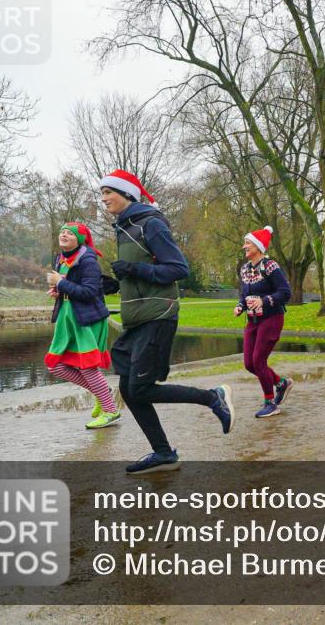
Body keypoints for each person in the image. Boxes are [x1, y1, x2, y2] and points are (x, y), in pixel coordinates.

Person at [99, 169, 233, 474]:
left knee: (141, 389)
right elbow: (141, 272)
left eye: (109, 192)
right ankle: (162, 453)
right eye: (102, 193)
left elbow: (177, 268)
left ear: (128, 194)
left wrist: (133, 270)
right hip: (137, 318)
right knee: (129, 390)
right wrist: (114, 283)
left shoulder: (150, 224)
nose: (104, 198)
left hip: (157, 316)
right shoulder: (124, 228)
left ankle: (213, 397)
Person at [44, 222, 120, 429]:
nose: (64, 235)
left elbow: (89, 292)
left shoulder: (88, 260)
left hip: (87, 320)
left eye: (70, 233)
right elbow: (71, 288)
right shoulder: (60, 258)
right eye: (62, 232)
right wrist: (59, 292)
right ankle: (102, 395)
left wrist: (60, 283)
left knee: (87, 367)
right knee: (56, 365)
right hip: (67, 319)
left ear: (81, 239)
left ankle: (111, 411)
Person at [234, 225, 293, 419]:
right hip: (253, 320)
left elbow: (285, 292)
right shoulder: (244, 269)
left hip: (272, 318)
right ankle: (281, 383)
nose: (244, 246)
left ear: (258, 246)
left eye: (248, 243)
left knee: (259, 360)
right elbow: (245, 293)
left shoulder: (270, 266)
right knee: (249, 363)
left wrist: (264, 300)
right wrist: (241, 306)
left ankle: (270, 402)